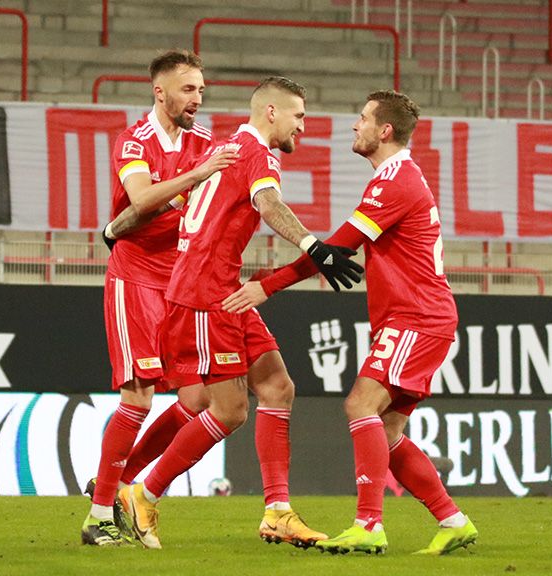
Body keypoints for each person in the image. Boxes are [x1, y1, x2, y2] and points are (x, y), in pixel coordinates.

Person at [223, 90, 478, 556]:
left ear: (384, 131)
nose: (353, 126)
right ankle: (452, 519)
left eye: (361, 119)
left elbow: (338, 246)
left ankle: (369, 524)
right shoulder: (396, 178)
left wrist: (267, 285)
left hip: (416, 317)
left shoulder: (395, 180)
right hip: (419, 316)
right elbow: (340, 250)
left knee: (361, 405)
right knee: (389, 432)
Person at [114, 76, 364, 550]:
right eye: (299, 116)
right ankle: (142, 495)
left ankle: (277, 511)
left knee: (277, 387)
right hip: (205, 294)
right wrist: (313, 244)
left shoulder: (231, 146)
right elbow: (268, 204)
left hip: (221, 289)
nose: (303, 128)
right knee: (228, 411)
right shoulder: (256, 152)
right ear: (271, 112)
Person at [81, 49, 239, 547]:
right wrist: (200, 173)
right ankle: (99, 515)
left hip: (183, 283)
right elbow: (142, 199)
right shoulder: (136, 140)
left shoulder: (204, 141)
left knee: (197, 399)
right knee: (139, 395)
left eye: (201, 89)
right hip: (136, 277)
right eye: (188, 89)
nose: (198, 97)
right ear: (160, 92)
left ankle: (121, 482)